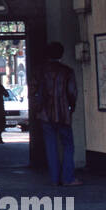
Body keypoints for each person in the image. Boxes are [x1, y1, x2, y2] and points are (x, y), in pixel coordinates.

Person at [30, 42, 81, 186]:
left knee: (50, 145)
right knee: (68, 145)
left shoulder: (38, 71)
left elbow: (32, 93)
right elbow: (72, 93)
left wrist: (38, 109)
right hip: (64, 114)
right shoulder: (67, 71)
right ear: (61, 54)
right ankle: (68, 178)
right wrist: (71, 107)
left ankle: (54, 178)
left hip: (44, 114)